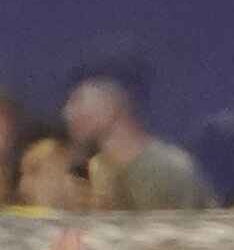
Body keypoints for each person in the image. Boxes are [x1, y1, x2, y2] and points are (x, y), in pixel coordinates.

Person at [55, 52, 202, 211]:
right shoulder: (100, 169)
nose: (67, 113)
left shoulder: (169, 170)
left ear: (111, 102)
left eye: (78, 100)